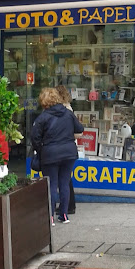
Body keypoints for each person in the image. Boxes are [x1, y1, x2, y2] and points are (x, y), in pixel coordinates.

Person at [31, 87, 84, 225]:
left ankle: (50, 217)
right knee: (64, 183)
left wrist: (40, 150)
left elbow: (35, 137)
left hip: (50, 154)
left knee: (52, 185)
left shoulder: (43, 117)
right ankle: (64, 215)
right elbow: (80, 129)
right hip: (69, 152)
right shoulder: (68, 113)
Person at [55, 85, 81, 215]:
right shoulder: (67, 108)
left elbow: (77, 131)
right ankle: (68, 205)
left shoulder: (64, 109)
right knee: (65, 178)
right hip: (68, 147)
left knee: (64, 179)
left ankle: (68, 205)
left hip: (64, 146)